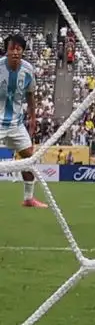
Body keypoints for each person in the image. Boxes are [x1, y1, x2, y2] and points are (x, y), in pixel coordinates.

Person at [2, 35, 47, 209]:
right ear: (6, 50)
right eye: (11, 49)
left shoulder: (28, 69)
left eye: (18, 49)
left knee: (29, 158)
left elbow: (30, 95)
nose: (15, 52)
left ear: (22, 51)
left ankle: (28, 199)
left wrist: (33, 117)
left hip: (16, 123)